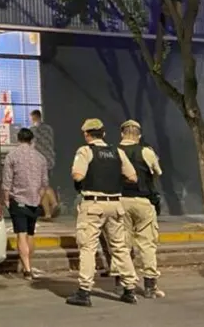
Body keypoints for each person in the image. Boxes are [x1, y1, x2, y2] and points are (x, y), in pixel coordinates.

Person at [65, 118, 140, 307]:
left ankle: (84, 291)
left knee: (88, 247)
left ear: (86, 135)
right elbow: (132, 176)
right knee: (120, 247)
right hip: (115, 204)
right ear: (104, 134)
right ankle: (129, 289)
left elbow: (78, 175)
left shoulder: (85, 151)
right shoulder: (118, 152)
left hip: (93, 204)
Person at [116, 119, 164, 298]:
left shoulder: (114, 151)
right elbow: (158, 172)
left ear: (122, 134)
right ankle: (150, 286)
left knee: (121, 243)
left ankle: (122, 283)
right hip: (143, 201)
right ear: (139, 135)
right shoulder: (146, 152)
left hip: (119, 201)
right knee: (147, 244)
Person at [2, 127, 49, 279]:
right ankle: (29, 264)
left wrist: (6, 199)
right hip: (34, 201)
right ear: (31, 140)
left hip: (19, 200)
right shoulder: (40, 158)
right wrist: (39, 198)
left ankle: (27, 269)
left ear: (18, 139)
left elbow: (7, 181)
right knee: (30, 234)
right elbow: (44, 183)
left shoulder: (12, 156)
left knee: (21, 235)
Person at [30, 110, 59, 219]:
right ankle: (47, 213)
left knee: (41, 187)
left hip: (39, 161)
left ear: (33, 118)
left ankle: (53, 202)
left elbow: (32, 144)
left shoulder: (33, 130)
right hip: (50, 160)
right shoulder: (49, 129)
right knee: (43, 185)